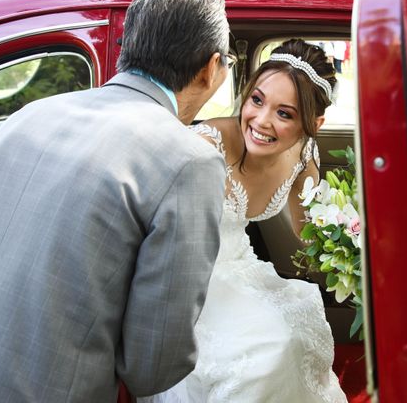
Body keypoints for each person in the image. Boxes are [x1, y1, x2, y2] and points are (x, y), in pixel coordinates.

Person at [0, 0, 231, 402]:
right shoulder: (189, 162)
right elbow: (151, 366)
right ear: (211, 68)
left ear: (127, 48)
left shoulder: (31, 114)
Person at [146, 39, 347, 402]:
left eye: (284, 114)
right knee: (270, 350)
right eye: (257, 100)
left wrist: (352, 249)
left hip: (240, 267)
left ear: (313, 124)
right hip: (190, 280)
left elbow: (311, 235)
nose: (261, 120)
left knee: (302, 329)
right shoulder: (205, 147)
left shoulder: (304, 156)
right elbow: (164, 237)